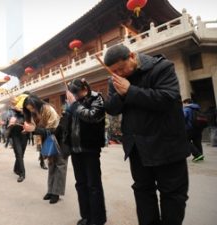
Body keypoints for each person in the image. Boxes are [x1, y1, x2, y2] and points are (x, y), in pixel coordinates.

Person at [104, 45, 190, 225]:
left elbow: (168, 98)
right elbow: (112, 109)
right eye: (114, 71)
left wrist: (130, 91)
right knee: (143, 192)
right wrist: (120, 95)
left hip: (167, 145)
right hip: (138, 148)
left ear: (132, 56)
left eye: (121, 68)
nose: (119, 73)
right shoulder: (115, 80)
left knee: (173, 195)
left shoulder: (162, 67)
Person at [65, 78, 107, 225]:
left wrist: (74, 105)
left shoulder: (97, 98)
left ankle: (97, 219)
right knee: (81, 184)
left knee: (93, 185)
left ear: (84, 88)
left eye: (77, 93)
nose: (76, 97)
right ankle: (86, 216)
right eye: (73, 95)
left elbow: (92, 116)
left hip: (90, 148)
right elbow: (68, 124)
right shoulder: (73, 102)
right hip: (75, 149)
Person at [23, 95, 68, 204]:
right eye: (29, 109)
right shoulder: (34, 114)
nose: (31, 110)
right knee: (51, 165)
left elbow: (54, 130)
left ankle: (56, 192)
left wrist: (34, 129)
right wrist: (30, 130)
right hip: (48, 140)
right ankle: (51, 190)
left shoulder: (48, 109)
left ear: (36, 103)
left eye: (32, 108)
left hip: (60, 140)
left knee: (60, 165)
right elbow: (39, 130)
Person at [7, 94, 29, 182]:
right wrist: (10, 120)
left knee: (21, 154)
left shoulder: (27, 111)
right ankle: (22, 173)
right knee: (19, 154)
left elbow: (31, 119)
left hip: (25, 134)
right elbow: (6, 119)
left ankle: (16, 168)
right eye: (12, 100)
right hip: (15, 134)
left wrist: (22, 111)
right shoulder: (10, 111)